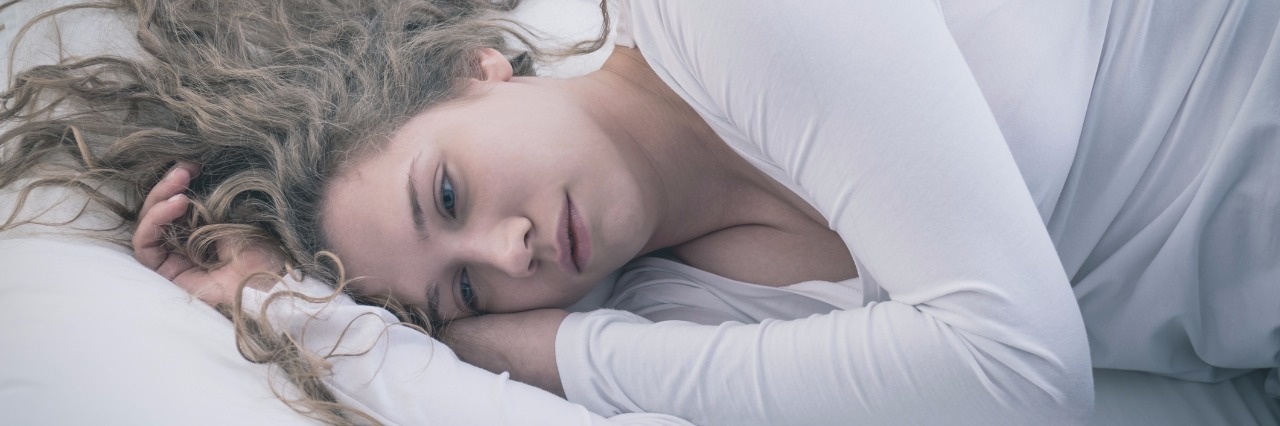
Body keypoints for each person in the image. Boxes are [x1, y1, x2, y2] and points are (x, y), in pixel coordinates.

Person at [6, 0, 1278, 425]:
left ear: (472, 66)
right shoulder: (675, 309)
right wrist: (301, 315)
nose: (502, 255)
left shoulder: (734, 19)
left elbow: (1020, 370)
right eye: (459, 290)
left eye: (445, 192)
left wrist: (547, 349)